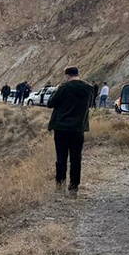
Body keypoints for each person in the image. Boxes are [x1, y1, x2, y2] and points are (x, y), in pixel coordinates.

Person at [46, 66, 95, 197]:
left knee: (61, 158)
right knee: (76, 158)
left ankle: (60, 185)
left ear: (67, 75)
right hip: (78, 129)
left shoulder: (64, 88)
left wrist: (57, 90)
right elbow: (90, 105)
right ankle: (74, 187)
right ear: (78, 74)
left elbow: (50, 103)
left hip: (62, 128)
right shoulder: (88, 89)